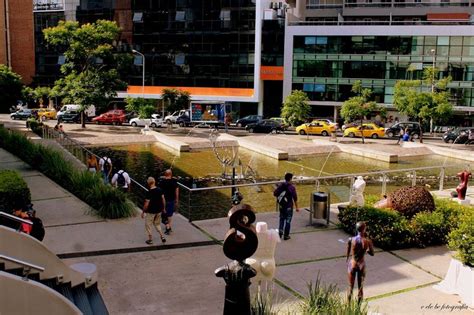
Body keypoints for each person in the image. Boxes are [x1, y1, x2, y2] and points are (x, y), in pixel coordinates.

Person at [346, 221, 374, 302]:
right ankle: (358, 310)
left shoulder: (351, 239)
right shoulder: (367, 241)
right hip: (361, 264)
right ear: (364, 229)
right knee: (360, 288)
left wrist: (347, 257)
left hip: (353, 263)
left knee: (350, 287)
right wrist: (367, 249)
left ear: (356, 228)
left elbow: (348, 250)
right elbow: (372, 253)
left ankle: (348, 307)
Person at [273, 172, 299, 240]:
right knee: (288, 220)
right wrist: (297, 207)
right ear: (290, 179)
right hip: (289, 207)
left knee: (281, 219)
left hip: (282, 206)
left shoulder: (281, 185)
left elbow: (275, 193)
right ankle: (286, 235)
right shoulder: (292, 187)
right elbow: (295, 198)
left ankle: (280, 233)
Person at [141, 177, 166, 245]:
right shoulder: (160, 190)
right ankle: (162, 236)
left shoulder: (149, 192)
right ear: (154, 182)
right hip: (159, 210)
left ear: (148, 183)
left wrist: (143, 212)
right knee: (157, 224)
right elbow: (163, 200)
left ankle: (150, 239)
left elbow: (146, 204)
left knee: (148, 225)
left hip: (151, 212)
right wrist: (163, 208)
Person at [159, 169, 179, 235]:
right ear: (171, 174)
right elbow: (177, 191)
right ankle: (169, 226)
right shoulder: (174, 182)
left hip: (163, 201)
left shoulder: (162, 182)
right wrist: (177, 199)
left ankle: (167, 226)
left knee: (163, 214)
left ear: (165, 175)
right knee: (170, 214)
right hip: (171, 200)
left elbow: (160, 192)